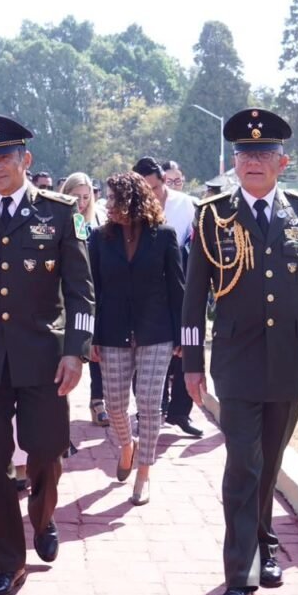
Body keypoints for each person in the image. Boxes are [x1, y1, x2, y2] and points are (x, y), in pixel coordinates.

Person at [182, 108, 298, 595]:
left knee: (266, 467)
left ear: (282, 162)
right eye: (245, 154)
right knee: (242, 466)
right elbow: (193, 298)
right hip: (236, 364)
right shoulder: (213, 217)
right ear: (234, 163)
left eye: (263, 154)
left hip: (289, 363)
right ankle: (241, 578)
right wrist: (191, 362)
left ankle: (265, 543)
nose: (253, 161)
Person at [0, 114, 94, 595]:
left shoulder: (60, 211)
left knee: (46, 450)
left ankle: (43, 515)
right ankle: (7, 562)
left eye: (4, 156)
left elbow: (81, 293)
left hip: (44, 358)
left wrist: (77, 352)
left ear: (25, 160)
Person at [89, 172, 184, 506]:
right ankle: (126, 445)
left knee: (148, 402)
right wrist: (92, 337)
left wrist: (182, 335)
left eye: (114, 198)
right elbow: (93, 291)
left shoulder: (164, 236)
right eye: (107, 199)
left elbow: (177, 288)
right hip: (113, 332)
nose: (109, 205)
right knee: (114, 404)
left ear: (133, 198)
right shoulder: (100, 238)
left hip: (156, 333)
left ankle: (144, 472)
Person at [134, 157, 202, 438]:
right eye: (147, 188)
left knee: (186, 349)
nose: (155, 193)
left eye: (158, 186)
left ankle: (180, 413)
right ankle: (151, 411)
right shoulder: (132, 208)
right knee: (148, 353)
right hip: (145, 294)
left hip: (183, 289)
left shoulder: (186, 204)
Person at [62, 172, 109, 428]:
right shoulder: (56, 218)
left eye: (85, 196)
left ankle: (97, 401)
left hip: (91, 294)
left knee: (94, 349)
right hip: (62, 296)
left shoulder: (96, 220)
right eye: (75, 196)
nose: (80, 201)